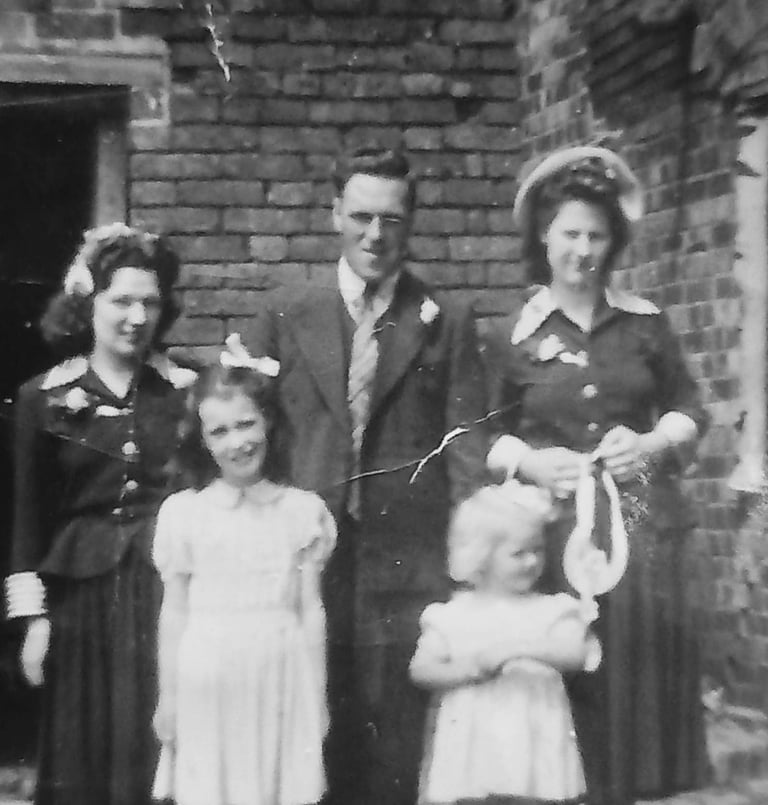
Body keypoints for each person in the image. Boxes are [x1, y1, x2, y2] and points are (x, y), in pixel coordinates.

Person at [248, 145, 489, 805]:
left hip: (405, 565)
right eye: (360, 216)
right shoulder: (283, 312)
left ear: (411, 222)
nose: (374, 235)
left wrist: (471, 565)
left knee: (393, 741)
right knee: (307, 730)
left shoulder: (448, 319)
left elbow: (467, 445)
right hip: (303, 562)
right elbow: (253, 435)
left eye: (391, 218)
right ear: (334, 214)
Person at [484, 146, 709, 805]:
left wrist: (650, 442)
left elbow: (691, 408)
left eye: (597, 235)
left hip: (639, 538)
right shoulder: (512, 335)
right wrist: (527, 460)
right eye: (570, 233)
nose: (583, 249)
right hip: (550, 543)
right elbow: (474, 435)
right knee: (564, 709)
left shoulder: (645, 323)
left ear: (613, 242)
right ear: (543, 239)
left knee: (632, 708)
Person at [4, 223, 195, 805]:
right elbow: (27, 521)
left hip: (166, 599)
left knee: (158, 748)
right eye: (122, 301)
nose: (137, 317)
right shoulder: (44, 397)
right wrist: (34, 624)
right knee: (82, 756)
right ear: (89, 304)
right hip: (79, 606)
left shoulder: (186, 389)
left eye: (150, 302)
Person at [152, 337, 336, 805]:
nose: (238, 443)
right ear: (201, 440)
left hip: (280, 669)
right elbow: (173, 614)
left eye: (247, 424)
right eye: (219, 432)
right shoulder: (183, 514)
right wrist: (168, 696)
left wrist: (318, 696)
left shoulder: (300, 512)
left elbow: (310, 610)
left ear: (269, 422)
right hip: (208, 673)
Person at [410, 483, 600, 805]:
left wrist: (521, 648)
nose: (531, 562)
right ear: (481, 556)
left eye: (537, 550)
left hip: (534, 735)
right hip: (475, 740)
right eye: (518, 553)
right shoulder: (454, 615)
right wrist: (471, 668)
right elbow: (421, 669)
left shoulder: (551, 610)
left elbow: (577, 654)